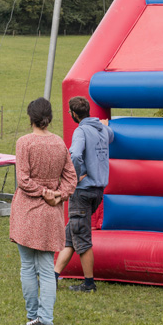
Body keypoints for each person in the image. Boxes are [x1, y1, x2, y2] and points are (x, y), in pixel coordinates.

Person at [10, 97, 77, 325]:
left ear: (31, 118)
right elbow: (71, 179)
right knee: (47, 268)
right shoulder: (59, 143)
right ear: (49, 118)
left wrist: (45, 192)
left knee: (28, 265)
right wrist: (57, 194)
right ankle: (44, 318)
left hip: (28, 210)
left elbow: (23, 180)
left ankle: (33, 316)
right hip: (51, 212)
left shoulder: (24, 143)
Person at [54, 96, 114, 292]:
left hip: (83, 191)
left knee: (81, 236)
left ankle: (89, 284)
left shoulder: (80, 131)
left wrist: (74, 177)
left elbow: (76, 155)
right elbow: (112, 135)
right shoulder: (102, 129)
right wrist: (105, 124)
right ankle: (53, 276)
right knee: (72, 233)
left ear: (73, 114)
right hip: (98, 191)